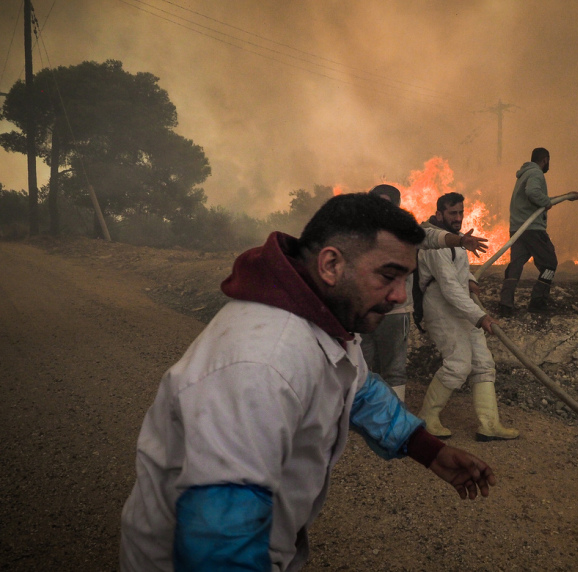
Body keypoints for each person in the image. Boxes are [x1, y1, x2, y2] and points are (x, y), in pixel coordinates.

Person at [119, 193, 497, 572]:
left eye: (405, 279)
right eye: (387, 276)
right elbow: (221, 539)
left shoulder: (324, 316)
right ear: (331, 264)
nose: (399, 296)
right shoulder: (261, 367)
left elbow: (360, 390)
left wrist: (428, 449)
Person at [361, 184, 488, 403]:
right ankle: (362, 415)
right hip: (363, 315)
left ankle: (392, 418)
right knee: (362, 368)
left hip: (394, 313)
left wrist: (459, 240)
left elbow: (431, 238)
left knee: (393, 371)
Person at [416, 192, 519, 441]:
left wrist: (471, 280)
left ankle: (489, 425)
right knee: (459, 363)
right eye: (453, 213)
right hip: (441, 309)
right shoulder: (434, 244)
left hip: (463, 307)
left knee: (483, 364)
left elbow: (459, 270)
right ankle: (426, 418)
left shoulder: (457, 242)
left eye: (461, 212)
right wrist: (481, 317)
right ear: (439, 214)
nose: (458, 218)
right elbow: (449, 287)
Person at [499, 147, 558, 314]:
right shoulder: (536, 173)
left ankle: (505, 303)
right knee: (550, 264)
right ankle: (538, 301)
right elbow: (532, 192)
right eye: (548, 161)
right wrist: (545, 201)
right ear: (545, 159)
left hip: (518, 228)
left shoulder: (524, 174)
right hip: (532, 229)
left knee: (516, 265)